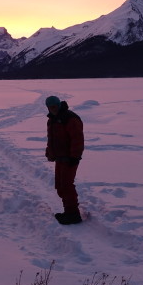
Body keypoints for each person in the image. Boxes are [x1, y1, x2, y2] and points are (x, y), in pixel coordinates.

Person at [44, 95, 84, 224]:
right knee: (60, 185)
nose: (52, 109)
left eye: (54, 106)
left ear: (59, 105)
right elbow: (52, 138)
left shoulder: (70, 118)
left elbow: (77, 139)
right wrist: (50, 152)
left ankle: (73, 214)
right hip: (60, 158)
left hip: (69, 158)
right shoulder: (52, 119)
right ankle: (68, 211)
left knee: (66, 185)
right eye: (50, 107)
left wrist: (75, 157)